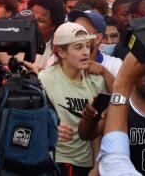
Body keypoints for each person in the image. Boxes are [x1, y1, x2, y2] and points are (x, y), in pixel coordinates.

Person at [38, 22, 105, 175]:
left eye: (88, 46)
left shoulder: (96, 82)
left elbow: (96, 130)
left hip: (85, 164)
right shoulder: (44, 79)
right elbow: (33, 119)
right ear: (61, 52)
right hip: (54, 161)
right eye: (78, 47)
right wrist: (49, 127)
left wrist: (96, 166)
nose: (86, 52)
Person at [69, 9, 122, 76]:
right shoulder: (65, 62)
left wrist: (104, 73)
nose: (75, 35)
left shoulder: (114, 65)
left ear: (98, 38)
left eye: (82, 32)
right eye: (73, 30)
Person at [29, 0, 66, 69]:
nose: (33, 23)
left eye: (40, 20)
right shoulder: (18, 40)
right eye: (31, 18)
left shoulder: (58, 49)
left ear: (53, 26)